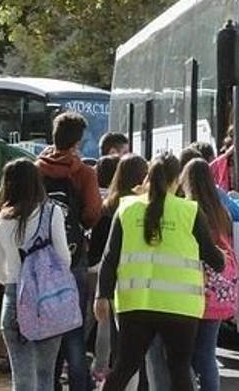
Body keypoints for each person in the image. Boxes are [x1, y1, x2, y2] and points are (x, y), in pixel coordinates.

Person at [95, 153, 225, 391]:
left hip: (135, 304)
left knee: (125, 367)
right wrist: (223, 256)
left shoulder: (127, 208)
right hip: (180, 305)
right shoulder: (189, 211)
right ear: (177, 179)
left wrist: (102, 296)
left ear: (148, 176)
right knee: (179, 369)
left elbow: (109, 257)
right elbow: (215, 260)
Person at [0, 159, 71, 391]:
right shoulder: (52, 211)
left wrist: (17, 280)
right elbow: (64, 258)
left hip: (15, 300)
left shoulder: (1, 219)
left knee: (22, 378)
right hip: (49, 300)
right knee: (46, 374)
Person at [37, 111, 101, 391]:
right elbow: (92, 213)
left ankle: (49, 384)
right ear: (78, 142)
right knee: (74, 329)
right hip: (73, 258)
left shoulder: (35, 168)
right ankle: (78, 385)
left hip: (39, 259)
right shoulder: (83, 172)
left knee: (46, 329)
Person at [90, 154, 149, 385]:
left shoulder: (108, 208)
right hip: (140, 286)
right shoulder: (144, 209)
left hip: (113, 286)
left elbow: (98, 251)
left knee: (118, 350)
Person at [181, 159, 237, 391]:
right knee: (208, 353)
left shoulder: (188, 211)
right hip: (220, 290)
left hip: (195, 289)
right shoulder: (221, 211)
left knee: (188, 355)